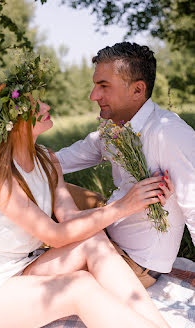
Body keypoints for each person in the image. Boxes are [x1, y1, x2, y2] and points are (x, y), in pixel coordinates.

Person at [0, 58, 171, 328]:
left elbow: (69, 219)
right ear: (16, 121)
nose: (46, 106)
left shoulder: (46, 159)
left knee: (94, 241)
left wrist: (135, 202)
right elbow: (55, 236)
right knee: (79, 287)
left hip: (27, 267)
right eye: (35, 105)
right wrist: (123, 206)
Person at [56, 42, 195, 288]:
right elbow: (63, 160)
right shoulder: (116, 127)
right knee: (42, 184)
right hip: (111, 226)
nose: (93, 96)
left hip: (133, 263)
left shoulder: (169, 133)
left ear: (138, 90)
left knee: (46, 271)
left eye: (103, 86)